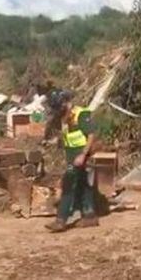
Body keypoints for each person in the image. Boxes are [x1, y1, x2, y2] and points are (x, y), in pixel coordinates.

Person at [44, 90, 98, 232]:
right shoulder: (65, 116)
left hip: (82, 156)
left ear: (66, 102)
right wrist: (56, 141)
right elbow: (70, 135)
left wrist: (83, 155)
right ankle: (90, 216)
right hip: (72, 156)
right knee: (84, 184)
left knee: (68, 185)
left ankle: (61, 220)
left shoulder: (81, 114)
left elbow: (91, 135)